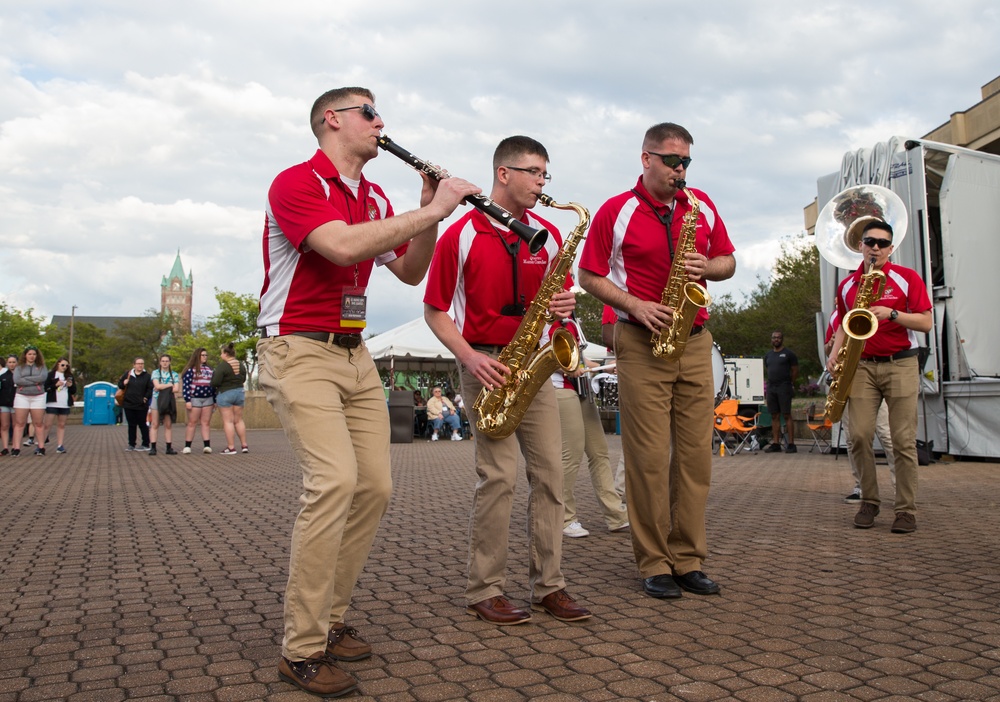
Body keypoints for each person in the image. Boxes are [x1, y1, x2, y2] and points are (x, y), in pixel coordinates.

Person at [256, 86, 478, 698]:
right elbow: (341, 246)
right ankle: (300, 648)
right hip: (297, 348)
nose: (383, 124)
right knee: (332, 483)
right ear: (333, 119)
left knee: (374, 486)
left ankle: (330, 621)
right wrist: (434, 213)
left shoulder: (375, 194)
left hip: (354, 353)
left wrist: (432, 210)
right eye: (370, 113)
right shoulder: (296, 182)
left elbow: (408, 270)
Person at [425, 134, 592, 626]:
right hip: (486, 364)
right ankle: (486, 589)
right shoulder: (462, 234)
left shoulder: (550, 234)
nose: (543, 183)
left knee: (552, 476)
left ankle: (550, 586)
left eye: (546, 174)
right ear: (504, 173)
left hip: (535, 362)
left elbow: (560, 304)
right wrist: (469, 358)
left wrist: (565, 309)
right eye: (534, 172)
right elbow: (435, 311)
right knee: (498, 477)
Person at [578, 122, 736, 600]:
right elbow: (589, 274)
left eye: (686, 161)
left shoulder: (701, 204)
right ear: (645, 158)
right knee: (648, 459)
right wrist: (634, 305)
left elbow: (728, 261)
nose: (680, 169)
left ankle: (687, 559)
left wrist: (706, 267)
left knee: (694, 458)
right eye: (671, 160)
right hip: (641, 339)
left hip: (693, 338)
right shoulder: (616, 210)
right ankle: (653, 562)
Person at [827, 220, 932, 534]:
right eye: (870, 242)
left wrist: (893, 314)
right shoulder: (847, 285)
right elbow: (847, 322)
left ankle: (905, 511)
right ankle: (869, 501)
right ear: (860, 245)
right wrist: (834, 352)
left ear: (891, 248)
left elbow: (926, 323)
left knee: (902, 441)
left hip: (901, 363)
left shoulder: (907, 278)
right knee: (858, 435)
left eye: (882, 243)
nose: (875, 248)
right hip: (862, 365)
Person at [551, 318, 629, 539]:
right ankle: (565, 518)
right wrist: (568, 367)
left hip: (582, 389)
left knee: (599, 452)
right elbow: (545, 356)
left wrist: (609, 367)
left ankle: (616, 515)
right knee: (571, 454)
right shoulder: (545, 322)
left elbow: (582, 361)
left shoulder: (571, 323)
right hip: (560, 388)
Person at [763, 330, 799, 453]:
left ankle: (791, 443)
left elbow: (794, 370)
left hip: (784, 386)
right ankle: (776, 443)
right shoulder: (768, 355)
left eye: (778, 337)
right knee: (774, 415)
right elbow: (768, 369)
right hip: (772, 387)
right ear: (771, 339)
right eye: (774, 337)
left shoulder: (789, 354)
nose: (776, 339)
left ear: (782, 339)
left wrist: (790, 383)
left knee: (787, 414)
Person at [211, 343, 249, 455]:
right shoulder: (241, 365)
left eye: (221, 353)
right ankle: (244, 445)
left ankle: (231, 447)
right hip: (239, 392)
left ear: (226, 354)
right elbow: (243, 378)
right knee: (239, 420)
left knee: (228, 421)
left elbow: (215, 382)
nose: (221, 355)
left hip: (226, 393)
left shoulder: (223, 366)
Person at [12, 346, 50, 456]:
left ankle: (41, 447)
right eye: (29, 354)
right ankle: (16, 448)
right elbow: (17, 380)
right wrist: (34, 380)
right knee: (20, 423)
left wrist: (26, 380)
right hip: (22, 396)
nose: (32, 356)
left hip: (38, 396)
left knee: (38, 423)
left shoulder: (42, 366)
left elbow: (42, 378)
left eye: (34, 354)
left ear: (37, 355)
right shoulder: (19, 367)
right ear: (25, 355)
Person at [181, 348, 215, 454]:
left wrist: (214, 399)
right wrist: (187, 400)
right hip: (195, 398)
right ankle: (187, 446)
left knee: (205, 423)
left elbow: (213, 385)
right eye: (202, 355)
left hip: (208, 398)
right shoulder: (190, 370)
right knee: (192, 422)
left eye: (206, 355)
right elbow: (186, 385)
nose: (205, 357)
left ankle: (207, 445)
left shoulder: (210, 369)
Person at [118, 357, 154, 451]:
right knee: (131, 425)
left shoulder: (147, 376)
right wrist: (124, 383)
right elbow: (120, 385)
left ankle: (146, 444)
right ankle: (131, 444)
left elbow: (150, 388)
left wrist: (146, 397)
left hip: (141, 404)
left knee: (142, 424)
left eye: (142, 363)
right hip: (128, 403)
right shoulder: (128, 374)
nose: (140, 365)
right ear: (134, 365)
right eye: (138, 363)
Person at [149, 354, 181, 456]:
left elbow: (177, 389)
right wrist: (170, 385)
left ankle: (169, 447)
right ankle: (153, 447)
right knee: (155, 423)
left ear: (170, 362)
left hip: (168, 400)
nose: (165, 363)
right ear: (160, 362)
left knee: (168, 424)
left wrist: (162, 386)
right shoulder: (156, 373)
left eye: (167, 361)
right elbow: (157, 386)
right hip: (157, 399)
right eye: (163, 361)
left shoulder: (174, 374)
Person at [43, 357, 75, 454]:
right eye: (62, 365)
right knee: (47, 424)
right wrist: (55, 385)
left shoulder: (69, 376)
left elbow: (74, 391)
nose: (64, 367)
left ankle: (60, 445)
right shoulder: (51, 375)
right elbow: (45, 388)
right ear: (57, 364)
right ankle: (41, 445)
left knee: (61, 424)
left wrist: (71, 386)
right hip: (52, 403)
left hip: (64, 403)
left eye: (66, 365)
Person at [1, 355, 17, 455]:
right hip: (3, 404)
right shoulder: (2, 377)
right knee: (4, 426)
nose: (11, 364)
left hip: (16, 404)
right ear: (7, 363)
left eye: (13, 362)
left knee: (16, 426)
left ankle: (15, 446)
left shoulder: (20, 376)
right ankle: (5, 447)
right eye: (10, 362)